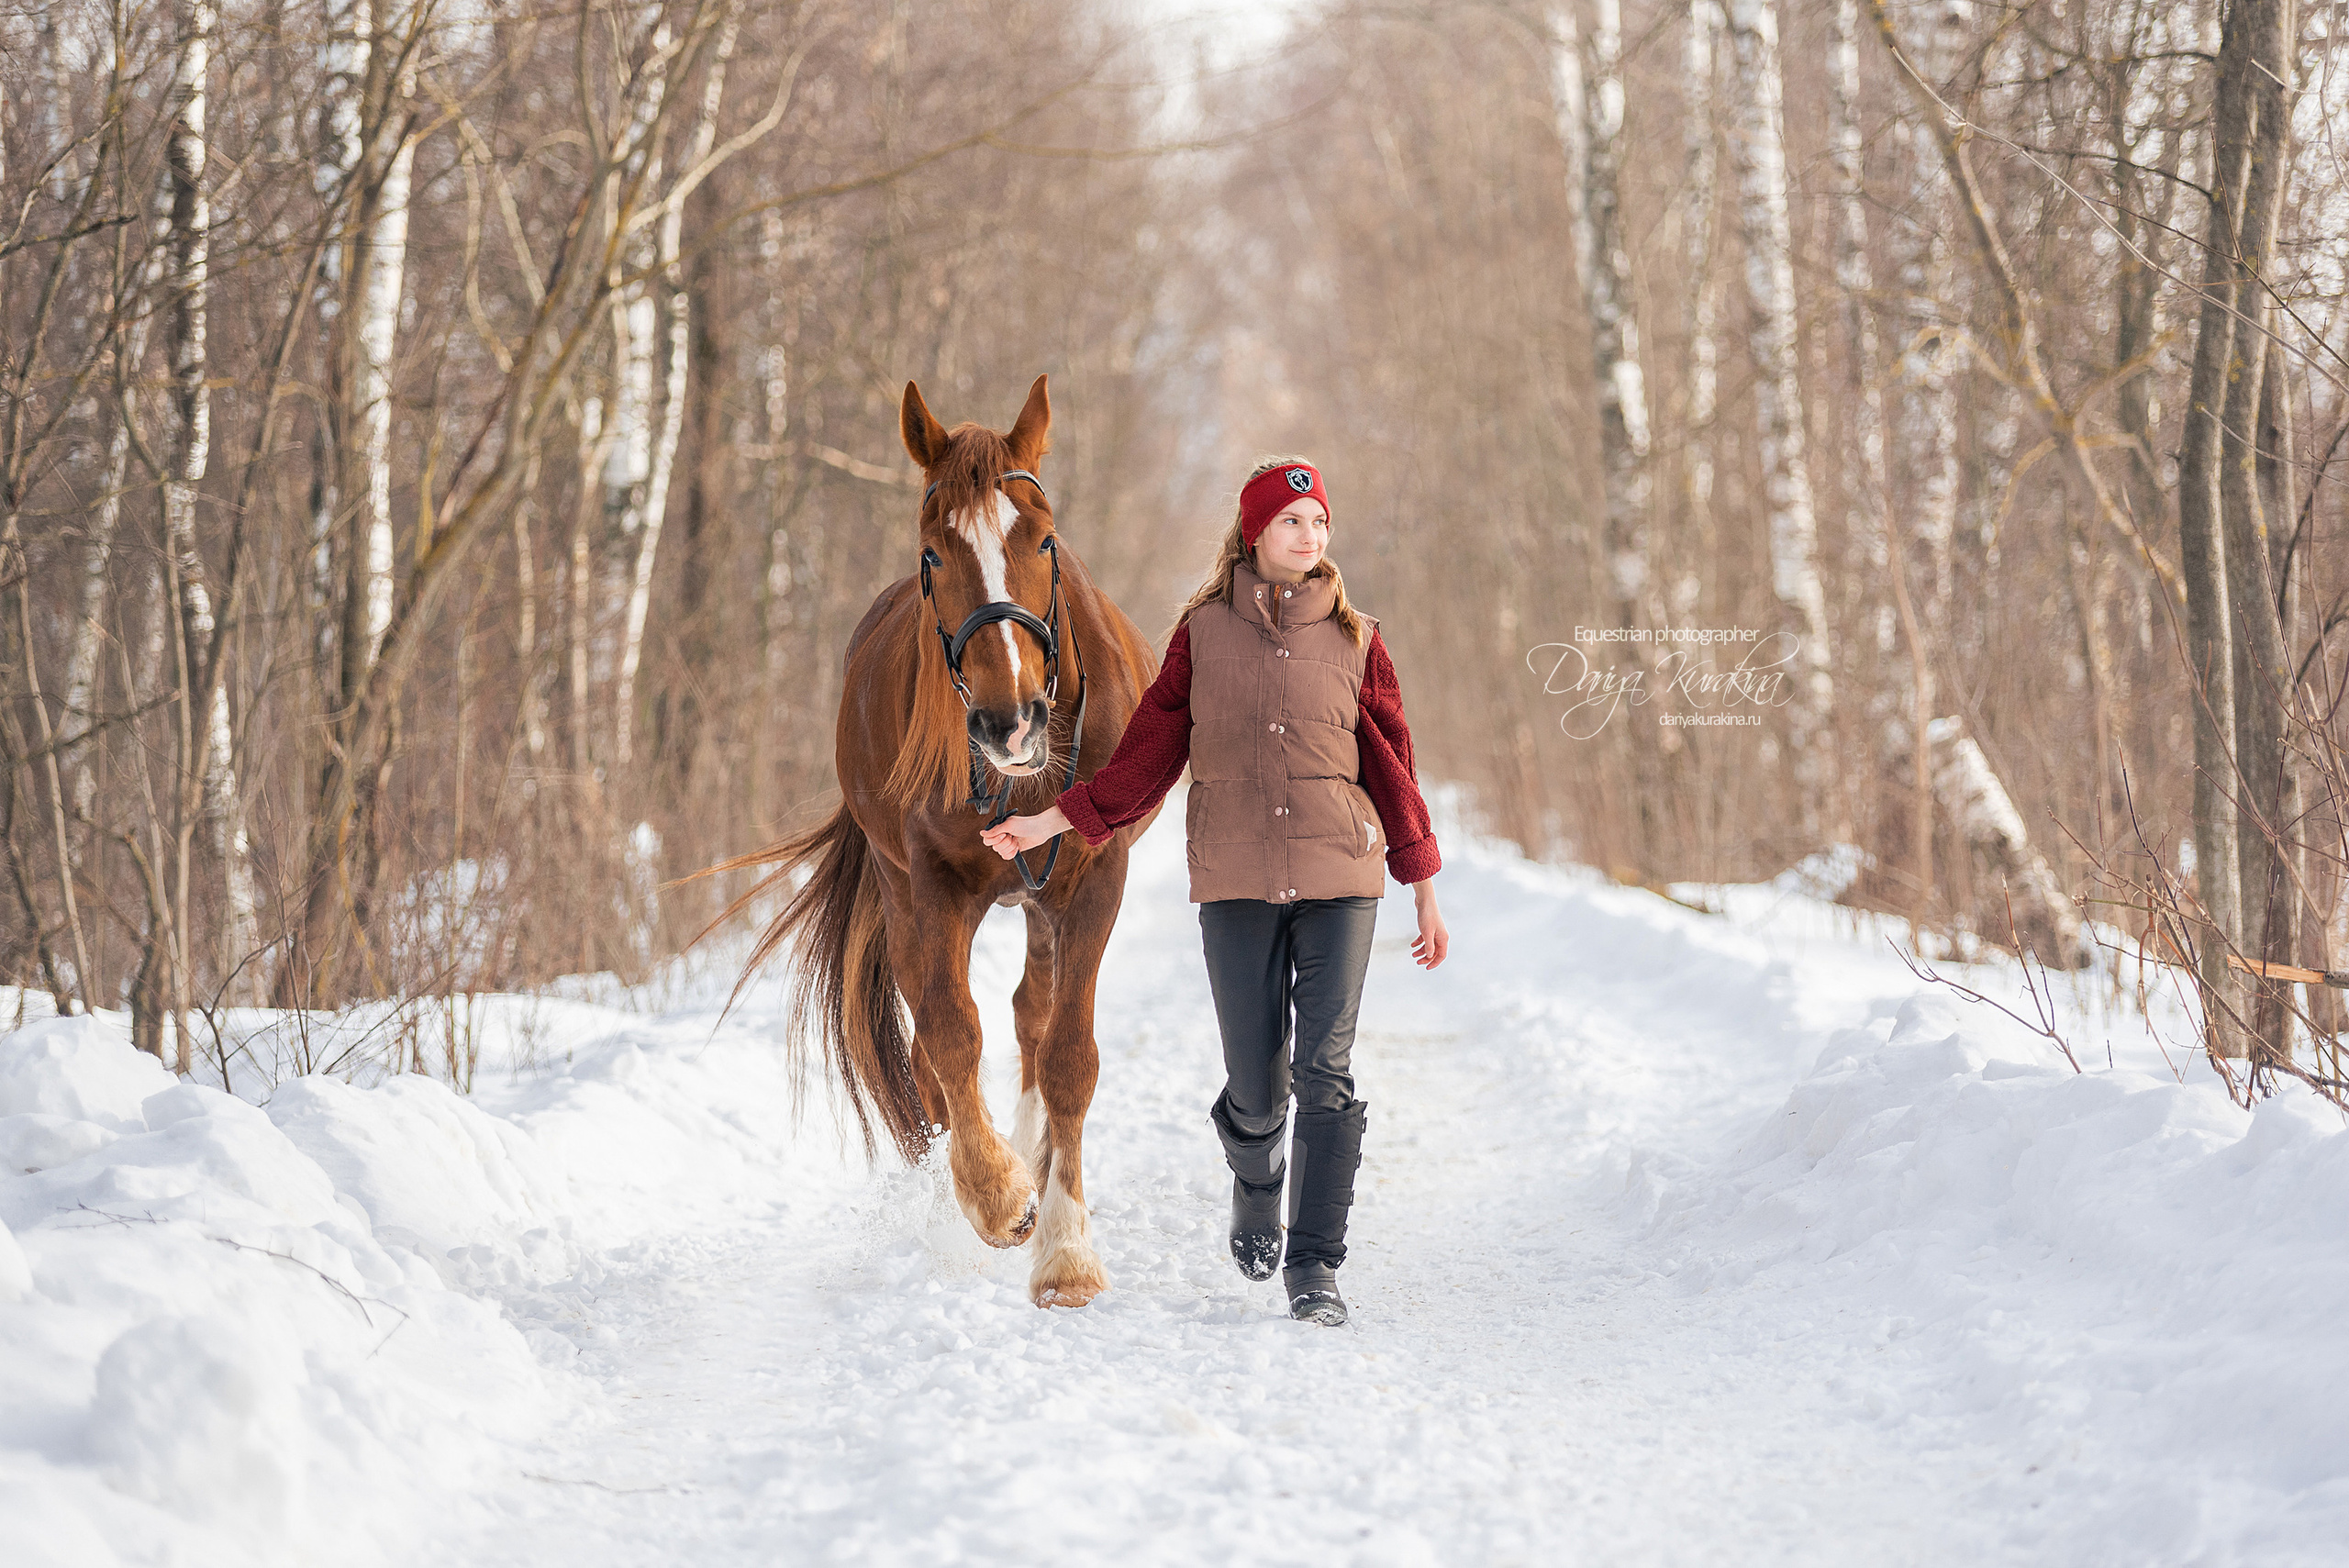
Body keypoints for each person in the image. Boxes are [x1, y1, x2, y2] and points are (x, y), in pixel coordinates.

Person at [981, 456, 1449, 1327]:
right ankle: (1256, 1173)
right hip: (1234, 883)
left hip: (1340, 881)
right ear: (1254, 533)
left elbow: (1393, 765)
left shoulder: (1357, 636)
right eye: (1292, 523)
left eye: (1320, 524)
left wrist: (1420, 881)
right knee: (1256, 1083)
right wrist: (1048, 822)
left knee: (1327, 1071)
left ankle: (1314, 1266)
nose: (1310, 537)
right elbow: (1143, 761)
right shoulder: (1201, 637)